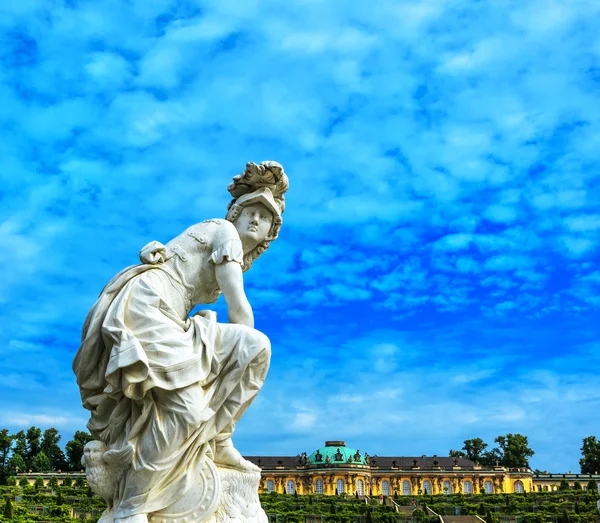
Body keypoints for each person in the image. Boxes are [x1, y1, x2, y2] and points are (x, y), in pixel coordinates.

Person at [73, 162, 288, 523]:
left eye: (263, 218)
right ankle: (131, 508)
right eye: (248, 211)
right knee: (186, 408)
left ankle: (218, 437)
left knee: (256, 350)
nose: (254, 220)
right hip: (148, 308)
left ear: (270, 233)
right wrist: (238, 347)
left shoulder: (219, 238)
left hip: (170, 317)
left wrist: (241, 349)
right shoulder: (224, 233)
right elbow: (239, 308)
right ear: (234, 214)